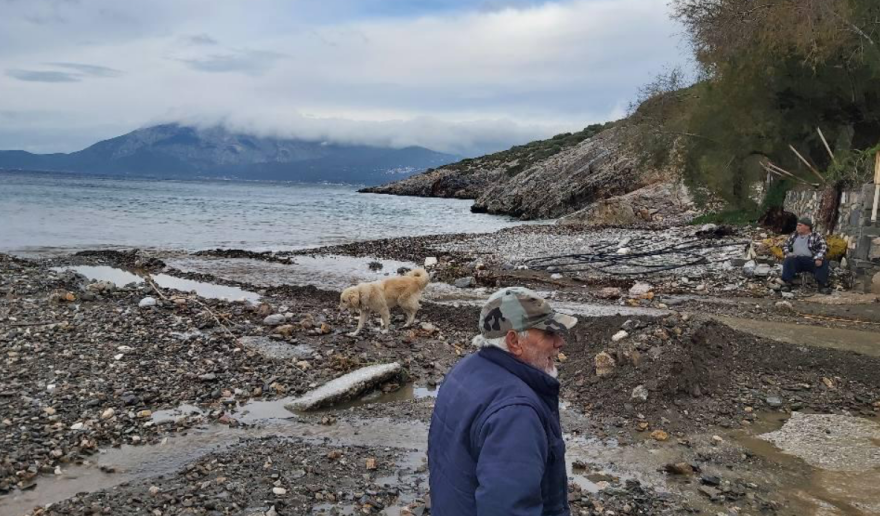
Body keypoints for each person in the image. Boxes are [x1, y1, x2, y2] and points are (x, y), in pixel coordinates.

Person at [428, 287, 577, 516]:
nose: (560, 342)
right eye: (549, 334)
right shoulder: (516, 414)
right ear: (514, 341)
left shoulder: (465, 370)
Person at [781, 217, 831, 294]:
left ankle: (822, 286)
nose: (797, 227)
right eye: (797, 225)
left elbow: (823, 247)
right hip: (797, 260)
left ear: (807, 227)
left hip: (811, 260)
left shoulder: (815, 235)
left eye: (800, 225)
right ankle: (787, 284)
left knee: (823, 262)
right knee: (788, 260)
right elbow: (785, 245)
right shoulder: (794, 235)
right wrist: (788, 253)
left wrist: (819, 258)